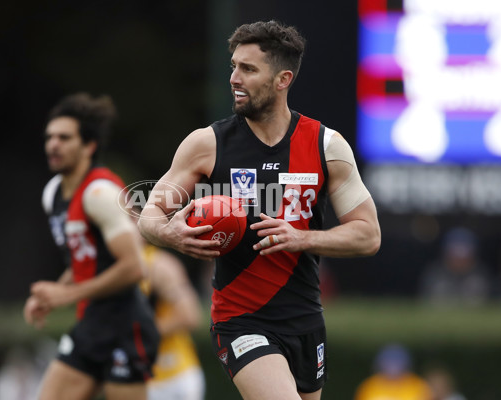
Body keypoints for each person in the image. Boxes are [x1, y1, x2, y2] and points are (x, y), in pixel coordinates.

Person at [138, 20, 381, 400]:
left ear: (283, 79)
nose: (234, 77)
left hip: (305, 318)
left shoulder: (325, 145)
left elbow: (368, 234)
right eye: (233, 66)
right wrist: (168, 232)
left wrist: (303, 237)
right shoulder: (207, 144)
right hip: (241, 319)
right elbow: (150, 213)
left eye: (248, 69)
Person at [23, 93, 159, 400]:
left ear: (89, 146)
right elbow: (83, 260)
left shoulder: (100, 192)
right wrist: (52, 295)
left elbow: (134, 266)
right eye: (50, 137)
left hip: (127, 325)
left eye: (64, 137)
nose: (53, 145)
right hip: (91, 324)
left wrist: (67, 295)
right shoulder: (52, 195)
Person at [139, 242, 206, 400]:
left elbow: (190, 317)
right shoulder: (112, 264)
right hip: (138, 377)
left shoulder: (158, 264)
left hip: (172, 376)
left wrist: (134, 333)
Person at [418, 227, 492, 306]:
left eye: (464, 255)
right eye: (455, 254)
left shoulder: (481, 275)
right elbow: (423, 304)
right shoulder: (434, 274)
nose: (459, 260)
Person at [354, 344, 433, 400]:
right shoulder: (369, 387)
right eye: (389, 365)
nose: (393, 371)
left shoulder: (418, 386)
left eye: (397, 365)